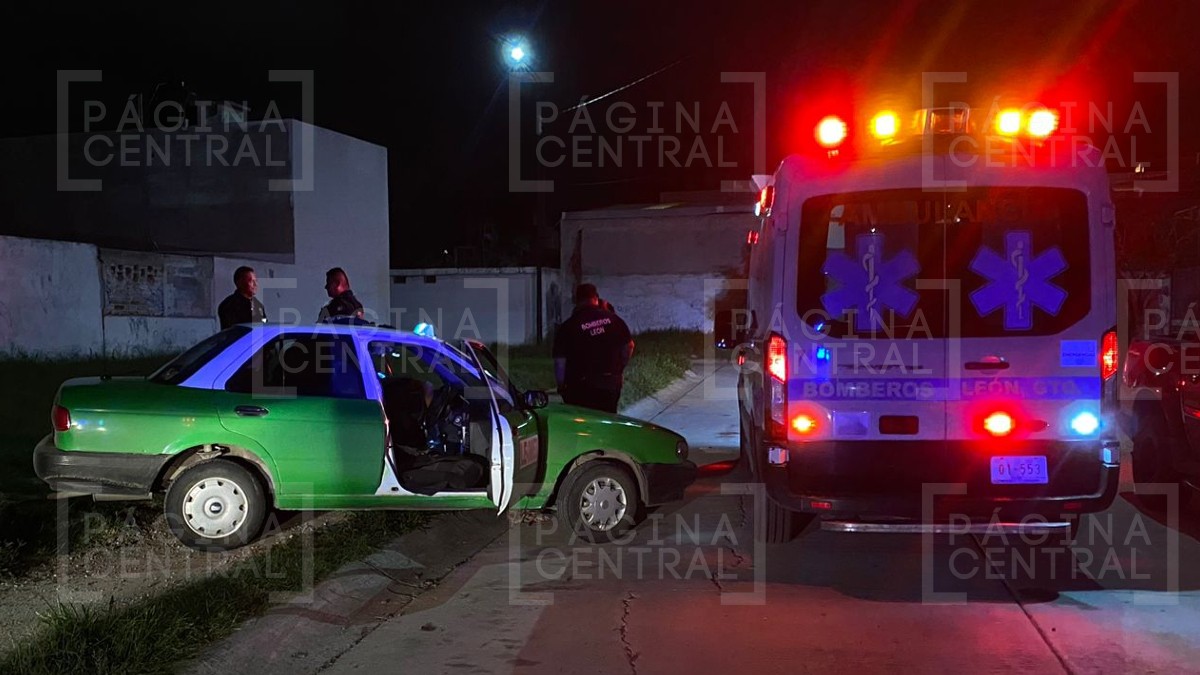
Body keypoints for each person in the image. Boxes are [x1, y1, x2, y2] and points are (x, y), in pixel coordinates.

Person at [553, 283, 634, 413]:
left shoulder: (568, 326)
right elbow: (629, 346)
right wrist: (619, 369)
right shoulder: (614, 320)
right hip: (610, 383)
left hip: (579, 387)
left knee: (583, 420)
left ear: (576, 300)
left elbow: (560, 361)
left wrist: (561, 385)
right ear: (596, 297)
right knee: (608, 417)